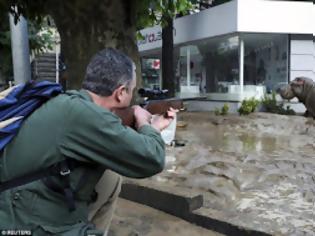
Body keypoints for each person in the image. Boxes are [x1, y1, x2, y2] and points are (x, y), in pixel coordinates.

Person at [0, 48, 176, 236]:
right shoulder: (83, 115)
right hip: (20, 220)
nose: (132, 96)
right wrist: (148, 125)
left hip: (23, 200)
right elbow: (152, 159)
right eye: (132, 90)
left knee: (110, 179)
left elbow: (116, 142)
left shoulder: (71, 103)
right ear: (121, 93)